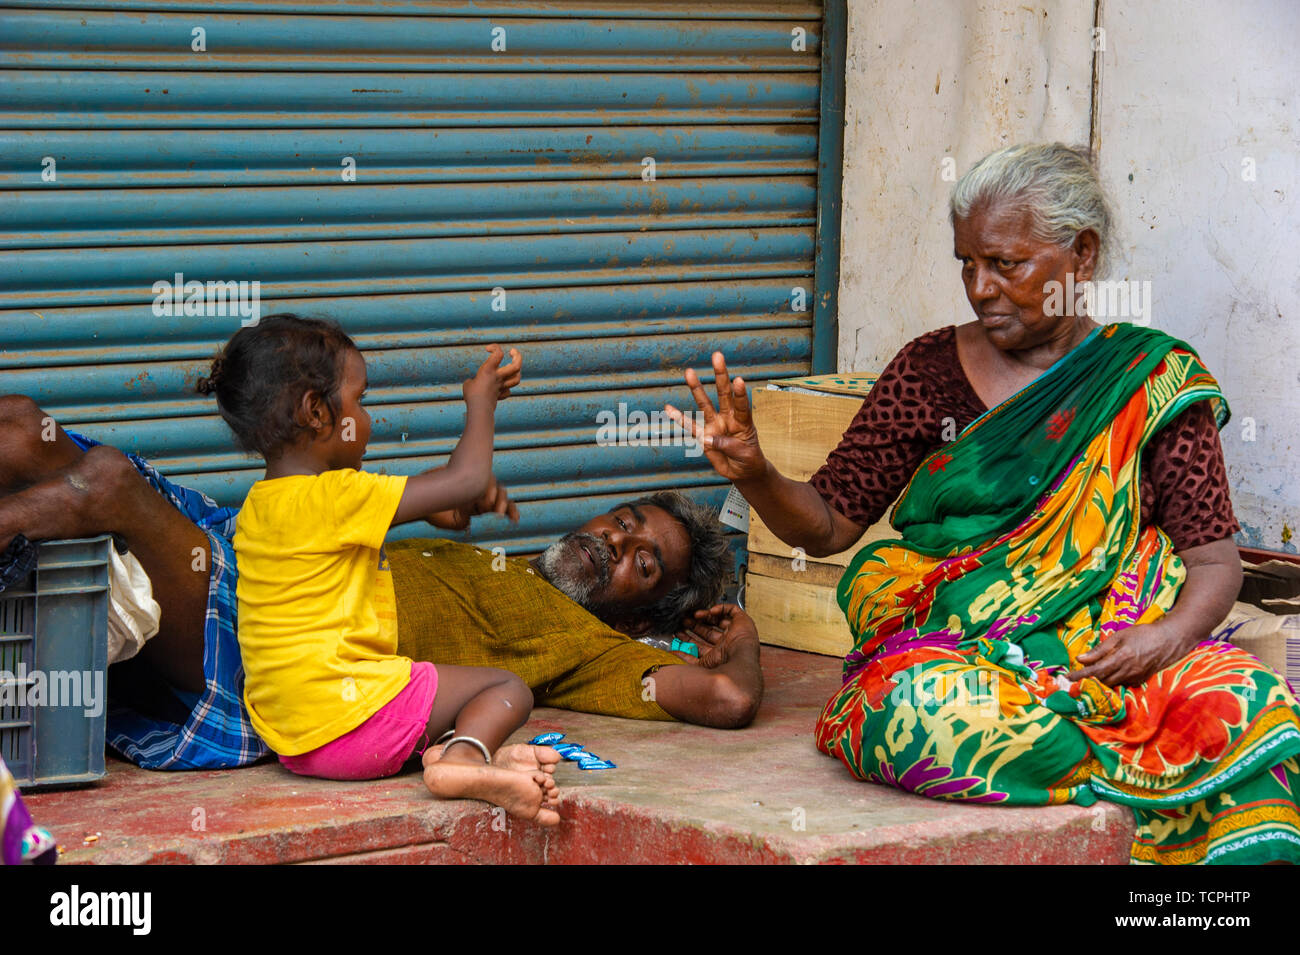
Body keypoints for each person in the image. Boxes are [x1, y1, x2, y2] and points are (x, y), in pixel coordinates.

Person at [669, 142, 1300, 865]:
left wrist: (1168, 637)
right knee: (909, 712)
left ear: (1081, 255)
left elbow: (1214, 559)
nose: (981, 287)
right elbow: (829, 521)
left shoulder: (1149, 378)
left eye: (1006, 264)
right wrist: (756, 475)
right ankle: (1147, 764)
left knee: (1256, 705)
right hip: (960, 655)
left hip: (1116, 652)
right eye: (967, 262)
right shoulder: (928, 370)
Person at [0, 399, 762, 776]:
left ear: (644, 613)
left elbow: (728, 700)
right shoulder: (482, 557)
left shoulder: (590, 647)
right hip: (251, 556)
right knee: (22, 426)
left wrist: (746, 642)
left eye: (644, 563)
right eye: (626, 521)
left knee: (110, 484)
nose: (615, 540)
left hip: (263, 647)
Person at [201, 315, 559, 825]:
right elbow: (465, 479)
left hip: (296, 742)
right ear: (315, 413)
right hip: (355, 726)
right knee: (505, 687)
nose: (369, 418)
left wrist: (461, 498)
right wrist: (481, 405)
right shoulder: (338, 496)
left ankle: (451, 752)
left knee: (425, 680)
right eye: (361, 400)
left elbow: (450, 498)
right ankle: (461, 762)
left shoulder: (260, 506)